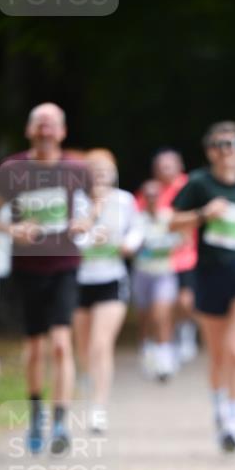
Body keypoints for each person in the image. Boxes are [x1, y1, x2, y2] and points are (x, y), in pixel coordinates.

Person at [0, 103, 92, 454]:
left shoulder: (77, 169)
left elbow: (97, 206)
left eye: (52, 125)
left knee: (61, 343)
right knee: (34, 349)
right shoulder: (12, 168)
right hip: (27, 267)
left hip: (65, 264)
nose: (46, 131)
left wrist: (86, 224)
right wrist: (11, 227)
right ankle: (35, 414)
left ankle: (61, 422)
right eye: (39, 124)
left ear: (62, 132)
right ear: (30, 130)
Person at [170, 122, 235, 452]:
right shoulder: (199, 182)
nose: (226, 150)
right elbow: (172, 220)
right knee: (219, 353)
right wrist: (202, 214)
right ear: (210, 151)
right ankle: (220, 408)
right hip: (209, 275)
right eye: (218, 145)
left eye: (232, 143)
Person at [73, 149, 138, 432]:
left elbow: (137, 230)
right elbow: (69, 238)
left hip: (111, 278)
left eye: (106, 172)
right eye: (95, 171)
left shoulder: (124, 201)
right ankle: (88, 382)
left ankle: (98, 407)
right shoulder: (75, 202)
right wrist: (90, 234)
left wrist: (128, 244)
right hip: (78, 280)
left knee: (101, 344)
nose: (101, 177)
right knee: (84, 347)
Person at [140, 149, 199, 364]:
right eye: (160, 166)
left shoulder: (189, 186)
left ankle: (185, 330)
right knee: (161, 305)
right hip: (158, 257)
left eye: (169, 165)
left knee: (185, 301)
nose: (164, 170)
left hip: (185, 255)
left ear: (179, 166)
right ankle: (166, 342)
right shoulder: (151, 190)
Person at [131, 179, 185, 382]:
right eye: (148, 195)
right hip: (142, 274)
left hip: (164, 273)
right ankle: (146, 351)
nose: (152, 199)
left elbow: (183, 238)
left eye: (156, 195)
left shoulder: (169, 217)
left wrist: (166, 244)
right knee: (145, 318)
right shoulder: (136, 219)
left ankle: (165, 361)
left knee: (161, 316)